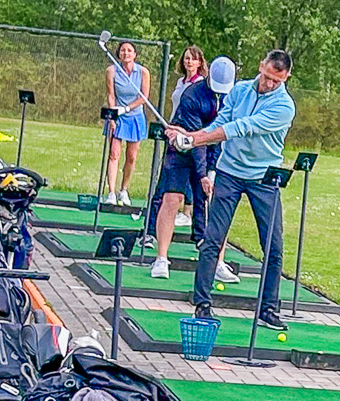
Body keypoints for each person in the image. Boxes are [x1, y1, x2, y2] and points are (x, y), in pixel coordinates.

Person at [169, 49, 296, 326]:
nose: (269, 84)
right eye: (267, 76)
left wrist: (192, 139)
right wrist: (189, 134)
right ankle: (202, 304)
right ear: (260, 66)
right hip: (229, 172)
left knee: (273, 246)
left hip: (264, 177)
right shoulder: (240, 90)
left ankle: (268, 309)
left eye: (277, 80)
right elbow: (222, 122)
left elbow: (241, 127)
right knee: (212, 239)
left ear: (286, 77)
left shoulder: (285, 106)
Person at [149, 55, 236, 282]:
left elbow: (222, 136)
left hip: (212, 149)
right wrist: (203, 175)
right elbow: (197, 142)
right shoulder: (192, 95)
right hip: (181, 149)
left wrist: (212, 171)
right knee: (172, 198)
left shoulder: (233, 97)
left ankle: (218, 262)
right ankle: (161, 259)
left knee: (219, 203)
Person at [104, 41, 150, 204]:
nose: (126, 53)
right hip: (117, 116)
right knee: (114, 154)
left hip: (135, 116)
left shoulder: (143, 72)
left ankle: (123, 190)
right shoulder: (111, 71)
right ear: (119, 54)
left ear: (135, 54)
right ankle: (111, 193)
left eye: (129, 50)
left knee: (131, 157)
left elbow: (143, 97)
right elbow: (111, 95)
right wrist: (113, 116)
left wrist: (127, 108)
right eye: (123, 50)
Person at [169, 44, 207, 116]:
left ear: (199, 63)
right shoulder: (180, 82)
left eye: (194, 59)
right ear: (183, 61)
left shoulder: (201, 83)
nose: (190, 61)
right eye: (187, 58)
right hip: (174, 121)